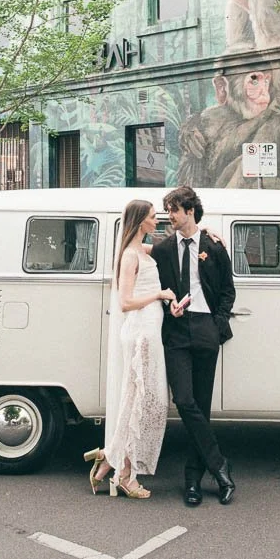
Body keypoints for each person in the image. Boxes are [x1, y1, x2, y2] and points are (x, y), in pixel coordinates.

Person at [150, 185, 237, 506]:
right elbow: (155, 288)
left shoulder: (214, 246)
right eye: (168, 209)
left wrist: (217, 324)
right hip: (176, 331)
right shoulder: (161, 249)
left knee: (201, 407)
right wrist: (165, 308)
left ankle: (192, 481)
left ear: (190, 211)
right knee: (184, 401)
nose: (168, 216)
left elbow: (228, 290)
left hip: (205, 329)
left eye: (173, 210)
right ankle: (220, 466)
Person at [83, 200, 175, 499]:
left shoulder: (140, 251)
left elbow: (168, 247)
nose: (156, 220)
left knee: (143, 400)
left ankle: (109, 458)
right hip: (141, 334)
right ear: (139, 222)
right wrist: (159, 294)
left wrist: (208, 231)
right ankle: (123, 473)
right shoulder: (129, 257)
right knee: (142, 401)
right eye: (152, 217)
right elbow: (125, 302)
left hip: (149, 332)